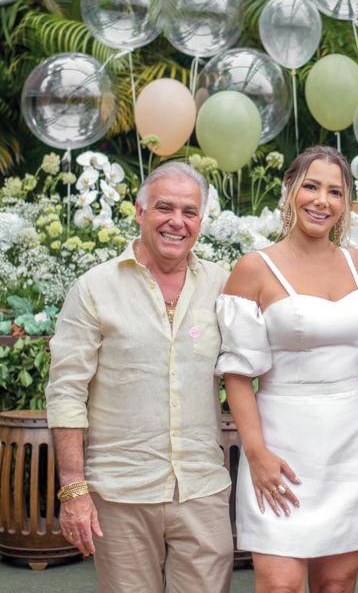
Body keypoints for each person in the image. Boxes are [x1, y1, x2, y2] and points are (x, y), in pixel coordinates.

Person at [45, 162, 234, 593]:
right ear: (139, 211)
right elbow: (66, 390)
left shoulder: (223, 286)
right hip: (121, 492)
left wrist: (352, 374)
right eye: (164, 208)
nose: (176, 221)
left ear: (200, 221)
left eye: (189, 212)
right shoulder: (95, 288)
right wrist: (73, 487)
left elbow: (260, 360)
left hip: (200, 488)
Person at [217, 145, 358, 593]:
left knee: (338, 582)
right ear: (289, 190)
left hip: (351, 440)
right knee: (280, 584)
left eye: (335, 191)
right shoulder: (254, 268)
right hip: (281, 444)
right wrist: (256, 455)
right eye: (310, 186)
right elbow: (237, 374)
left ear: (346, 202)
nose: (321, 200)